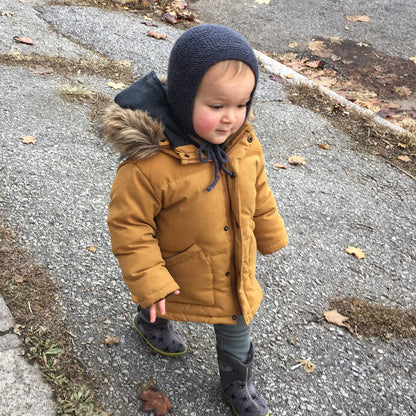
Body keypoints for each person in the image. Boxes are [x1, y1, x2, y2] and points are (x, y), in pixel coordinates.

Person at [101, 24, 288, 416]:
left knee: (238, 316)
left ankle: (237, 381)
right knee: (160, 301)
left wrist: (270, 232)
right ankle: (150, 321)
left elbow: (259, 193)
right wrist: (150, 283)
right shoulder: (150, 164)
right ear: (184, 100)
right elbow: (130, 227)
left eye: (241, 105)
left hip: (234, 265)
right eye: (217, 106)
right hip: (177, 264)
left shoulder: (244, 145)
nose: (230, 119)